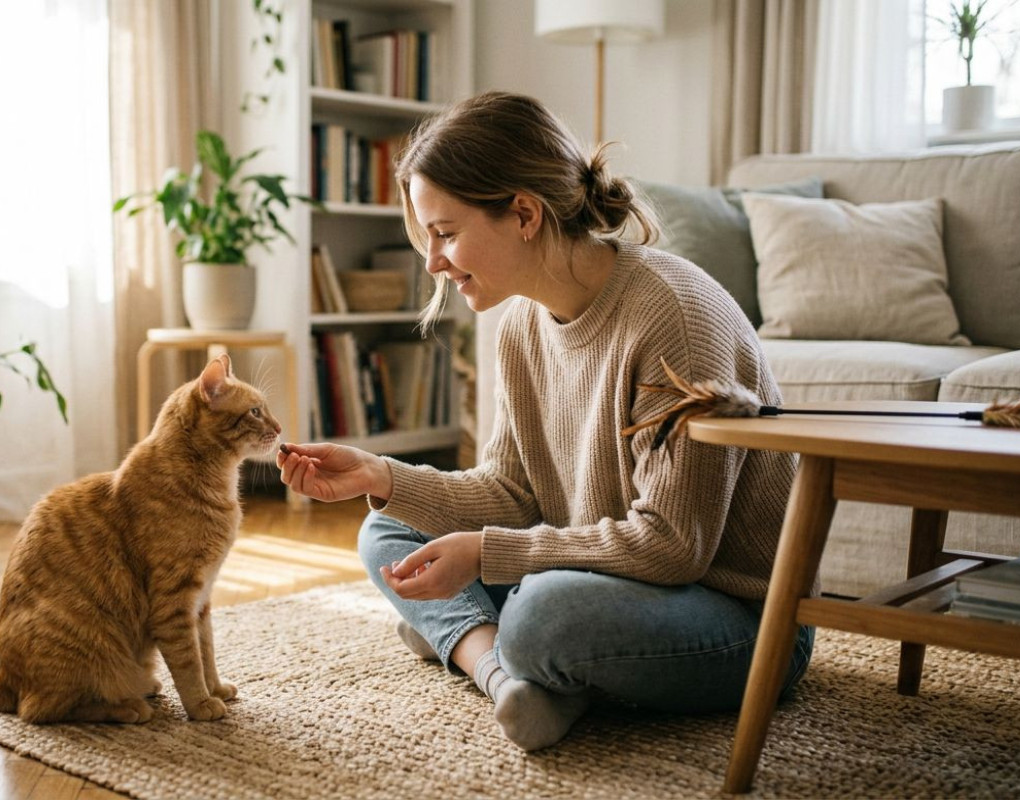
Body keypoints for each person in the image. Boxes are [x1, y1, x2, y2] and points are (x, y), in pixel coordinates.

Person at [276, 91, 813, 752]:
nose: (432, 262)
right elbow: (512, 495)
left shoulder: (673, 315)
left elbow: (675, 545)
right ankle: (507, 678)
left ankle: (470, 637)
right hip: (601, 573)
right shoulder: (520, 325)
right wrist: (379, 473)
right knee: (388, 524)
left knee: (545, 612)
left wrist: (488, 555)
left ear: (524, 213)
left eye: (444, 232)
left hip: (732, 617)